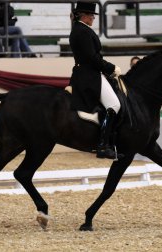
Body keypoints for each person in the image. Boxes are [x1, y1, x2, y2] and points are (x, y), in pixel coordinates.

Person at [69, 2, 122, 159]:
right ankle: (103, 145)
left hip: (85, 72)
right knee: (114, 105)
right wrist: (111, 68)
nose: (93, 18)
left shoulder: (79, 30)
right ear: (84, 15)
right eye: (91, 15)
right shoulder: (82, 31)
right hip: (89, 75)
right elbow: (92, 58)